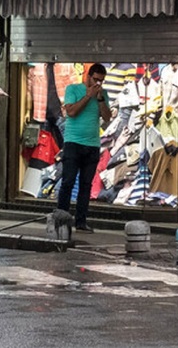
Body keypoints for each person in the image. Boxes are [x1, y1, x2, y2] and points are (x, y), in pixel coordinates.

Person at [57, 63, 112, 233]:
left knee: (86, 185)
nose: (98, 84)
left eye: (101, 81)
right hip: (73, 143)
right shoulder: (72, 89)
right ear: (88, 76)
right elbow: (71, 112)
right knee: (68, 182)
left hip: (92, 144)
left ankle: (81, 221)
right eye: (95, 79)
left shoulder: (103, 94)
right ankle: (62, 220)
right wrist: (88, 96)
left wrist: (101, 98)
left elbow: (107, 117)